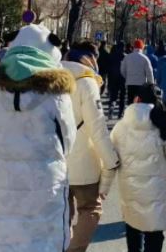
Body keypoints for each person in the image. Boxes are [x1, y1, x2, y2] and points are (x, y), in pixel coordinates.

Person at [0, 24, 76, 252]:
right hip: (46, 179)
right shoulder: (56, 94)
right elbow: (68, 140)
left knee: (6, 236)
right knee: (45, 238)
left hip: (4, 179)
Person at [102, 84, 166, 252]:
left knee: (133, 228)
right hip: (156, 191)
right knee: (155, 233)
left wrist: (104, 187)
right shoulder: (162, 127)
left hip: (130, 190)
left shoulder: (120, 127)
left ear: (136, 99)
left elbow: (111, 160)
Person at [62, 40, 120, 252]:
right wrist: (110, 161)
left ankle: (60, 245)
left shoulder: (50, 77)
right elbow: (97, 127)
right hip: (84, 162)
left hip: (55, 160)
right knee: (90, 209)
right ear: (91, 58)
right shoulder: (86, 81)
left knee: (61, 213)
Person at [121, 39, 155, 104]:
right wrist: (151, 84)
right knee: (140, 103)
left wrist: (127, 77)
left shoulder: (127, 57)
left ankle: (131, 110)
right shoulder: (145, 58)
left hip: (130, 83)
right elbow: (149, 73)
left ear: (134, 47)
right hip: (141, 84)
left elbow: (122, 70)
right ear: (142, 47)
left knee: (130, 102)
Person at [108, 41, 127, 119]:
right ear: (123, 48)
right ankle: (120, 113)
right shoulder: (125, 56)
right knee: (122, 97)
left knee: (113, 96)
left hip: (113, 78)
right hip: (123, 79)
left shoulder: (112, 56)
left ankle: (112, 107)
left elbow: (109, 67)